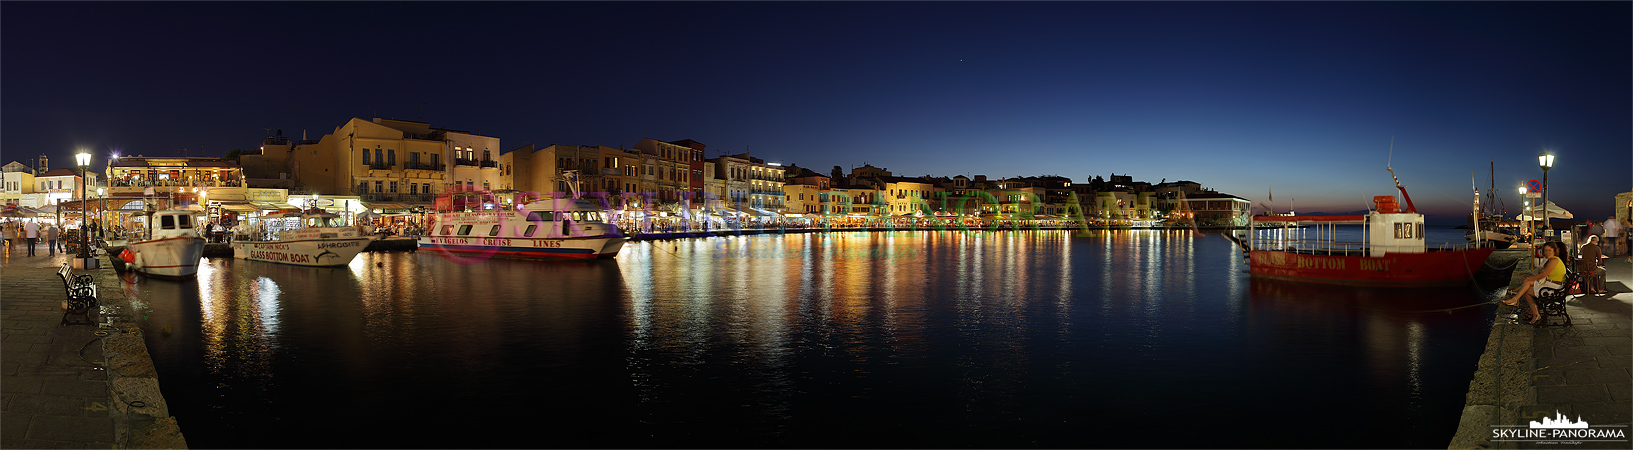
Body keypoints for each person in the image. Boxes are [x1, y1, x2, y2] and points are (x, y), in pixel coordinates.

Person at [1503, 241, 1568, 324]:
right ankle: (1528, 309)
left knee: (1527, 288)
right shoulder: (1553, 260)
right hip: (1552, 285)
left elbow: (1543, 274)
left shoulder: (1554, 260)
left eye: (1550, 250)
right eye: (1545, 250)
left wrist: (1529, 278)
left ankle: (1518, 301)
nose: (1547, 252)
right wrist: (1529, 278)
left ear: (1554, 251)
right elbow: (1542, 273)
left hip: (1554, 288)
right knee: (1527, 287)